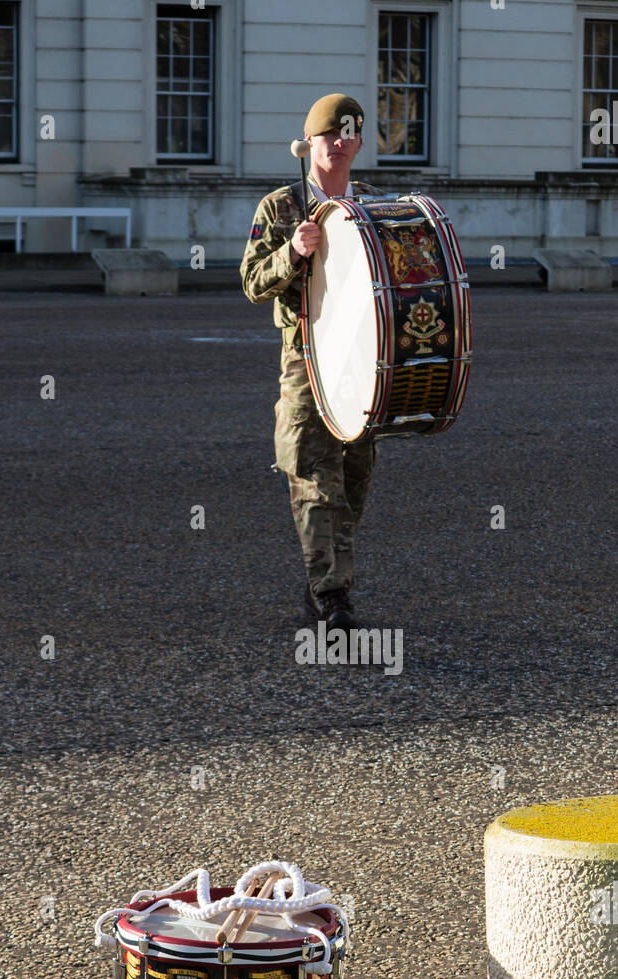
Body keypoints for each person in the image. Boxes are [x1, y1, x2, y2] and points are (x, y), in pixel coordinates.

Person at [240, 93, 384, 631]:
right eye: (331, 134)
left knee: (353, 482)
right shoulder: (281, 206)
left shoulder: (372, 203)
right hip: (306, 361)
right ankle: (334, 603)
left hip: (361, 362)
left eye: (351, 132)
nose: (342, 142)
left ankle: (321, 581)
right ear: (310, 142)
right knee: (311, 477)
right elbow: (252, 283)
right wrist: (292, 253)